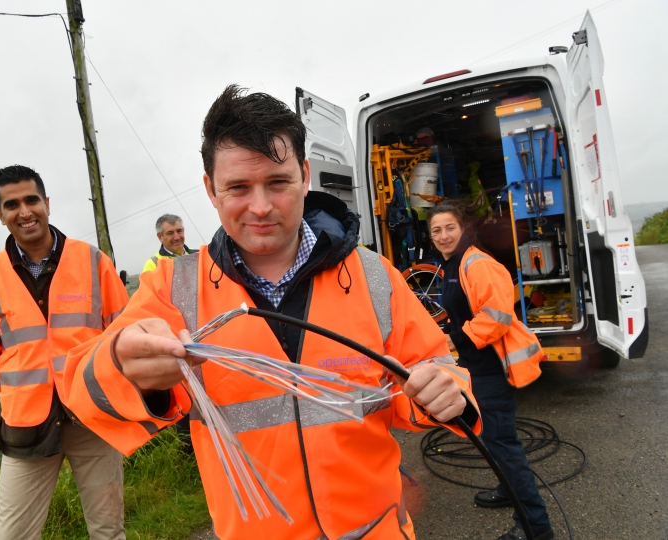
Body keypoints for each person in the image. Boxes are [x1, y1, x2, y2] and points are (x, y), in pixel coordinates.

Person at [61, 86, 481, 540]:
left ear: (303, 175)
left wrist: (448, 395)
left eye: (277, 183)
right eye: (238, 187)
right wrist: (123, 363)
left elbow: (436, 369)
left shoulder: (374, 276)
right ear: (210, 189)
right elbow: (81, 387)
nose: (260, 207)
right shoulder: (172, 289)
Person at [0, 165, 129, 540]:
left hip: (92, 416)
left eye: (31, 200)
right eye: (12, 204)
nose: (24, 211)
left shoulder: (92, 261)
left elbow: (122, 333)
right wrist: (19, 392)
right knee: (14, 535)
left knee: (108, 530)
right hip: (26, 425)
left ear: (47, 203)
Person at [427, 200, 552, 540]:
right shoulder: (452, 264)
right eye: (436, 230)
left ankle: (534, 527)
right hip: (475, 368)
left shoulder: (477, 264)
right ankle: (504, 489)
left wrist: (454, 341)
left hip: (492, 371)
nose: (443, 235)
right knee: (493, 441)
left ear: (463, 228)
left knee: (503, 446)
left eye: (449, 227)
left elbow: (496, 317)